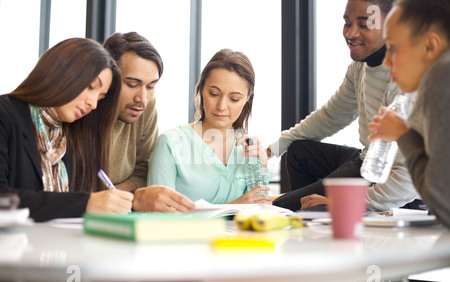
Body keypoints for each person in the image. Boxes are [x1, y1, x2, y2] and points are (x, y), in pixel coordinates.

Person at [268, 0, 421, 212]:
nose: (351, 33)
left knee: (282, 206)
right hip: (367, 161)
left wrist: (343, 204)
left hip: (398, 184)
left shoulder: (406, 78)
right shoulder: (359, 67)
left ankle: (317, 212)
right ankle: (314, 216)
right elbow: (331, 116)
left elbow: (409, 177)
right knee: (299, 152)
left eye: (364, 24)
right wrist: (273, 148)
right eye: (347, 23)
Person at [0, 38, 133, 222]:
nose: (93, 104)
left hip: (63, 247)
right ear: (60, 73)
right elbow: (2, 199)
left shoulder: (73, 136)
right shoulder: (6, 114)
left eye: (100, 98)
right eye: (90, 87)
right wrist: (85, 203)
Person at [148, 49, 272, 205]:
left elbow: (260, 210)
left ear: (247, 98)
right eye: (214, 93)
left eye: (234, 99)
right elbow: (156, 217)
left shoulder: (247, 149)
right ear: (201, 89)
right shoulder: (171, 143)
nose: (221, 106)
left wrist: (262, 166)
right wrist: (232, 207)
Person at [368, 0, 450, 227]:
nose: (386, 61)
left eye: (392, 48)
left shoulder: (442, 75)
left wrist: (404, 134)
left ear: (430, 46)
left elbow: (443, 203)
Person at [103, 32, 195, 213]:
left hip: (118, 213)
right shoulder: (82, 108)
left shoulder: (145, 107)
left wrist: (116, 195)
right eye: (131, 84)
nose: (142, 98)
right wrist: (130, 196)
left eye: (151, 86)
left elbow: (145, 169)